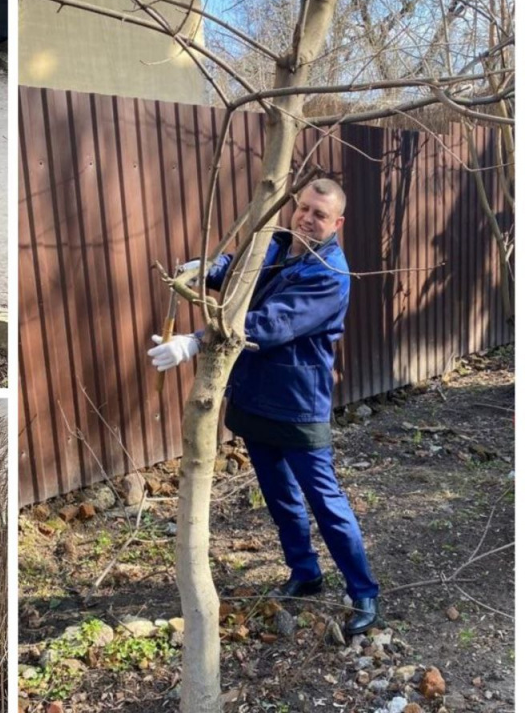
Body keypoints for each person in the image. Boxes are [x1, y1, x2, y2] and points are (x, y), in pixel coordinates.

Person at [147, 178, 381, 637]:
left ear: (338, 223)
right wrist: (210, 270)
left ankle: (364, 592)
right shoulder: (275, 244)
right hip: (254, 397)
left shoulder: (329, 274)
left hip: (297, 405)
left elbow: (270, 323)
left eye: (320, 214)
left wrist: (193, 341)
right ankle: (305, 572)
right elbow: (242, 272)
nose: (308, 219)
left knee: (325, 502)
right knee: (280, 496)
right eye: (304, 208)